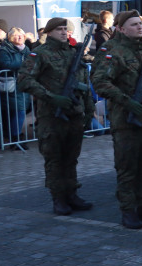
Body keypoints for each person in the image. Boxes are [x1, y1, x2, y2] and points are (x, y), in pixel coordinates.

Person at [91, 10, 142, 229]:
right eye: (134, 24)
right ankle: (128, 210)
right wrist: (127, 101)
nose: (139, 27)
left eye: (141, 24)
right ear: (121, 29)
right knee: (127, 168)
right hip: (127, 120)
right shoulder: (112, 51)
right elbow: (101, 82)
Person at [17, 18, 94, 215]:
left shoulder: (73, 53)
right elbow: (24, 81)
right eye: (59, 29)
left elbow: (83, 83)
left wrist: (88, 108)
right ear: (49, 32)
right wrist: (52, 98)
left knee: (71, 158)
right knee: (55, 159)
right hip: (52, 116)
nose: (63, 32)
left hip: (74, 113)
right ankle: (58, 198)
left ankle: (72, 194)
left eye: (65, 29)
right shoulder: (40, 54)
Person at [0, 27, 31, 144]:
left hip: (24, 83)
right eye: (16, 35)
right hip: (12, 85)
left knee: (21, 110)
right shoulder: (5, 50)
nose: (20, 37)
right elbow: (5, 64)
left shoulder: (26, 49)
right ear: (10, 37)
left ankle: (14, 136)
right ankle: (16, 138)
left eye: (21, 35)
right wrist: (23, 64)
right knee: (19, 110)